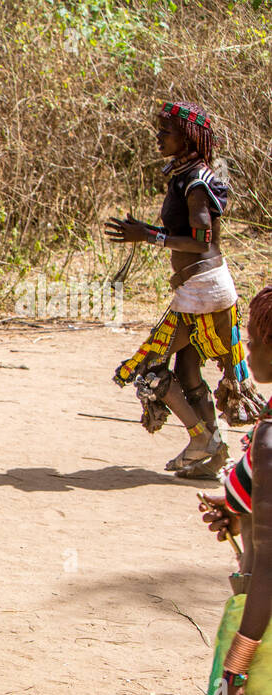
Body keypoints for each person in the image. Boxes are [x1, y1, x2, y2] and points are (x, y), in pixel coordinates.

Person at [106, 101, 263, 479]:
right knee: (188, 369)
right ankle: (213, 450)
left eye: (166, 133)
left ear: (188, 137)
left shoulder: (195, 182)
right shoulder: (189, 175)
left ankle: (201, 439)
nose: (159, 138)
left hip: (203, 290)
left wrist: (149, 236)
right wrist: (147, 232)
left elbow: (202, 242)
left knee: (149, 368)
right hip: (203, 288)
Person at [196, 283, 272, 695]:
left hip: (262, 628)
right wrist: (238, 509)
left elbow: (268, 567)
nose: (243, 342)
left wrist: (235, 671)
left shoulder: (270, 441)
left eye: (249, 331)